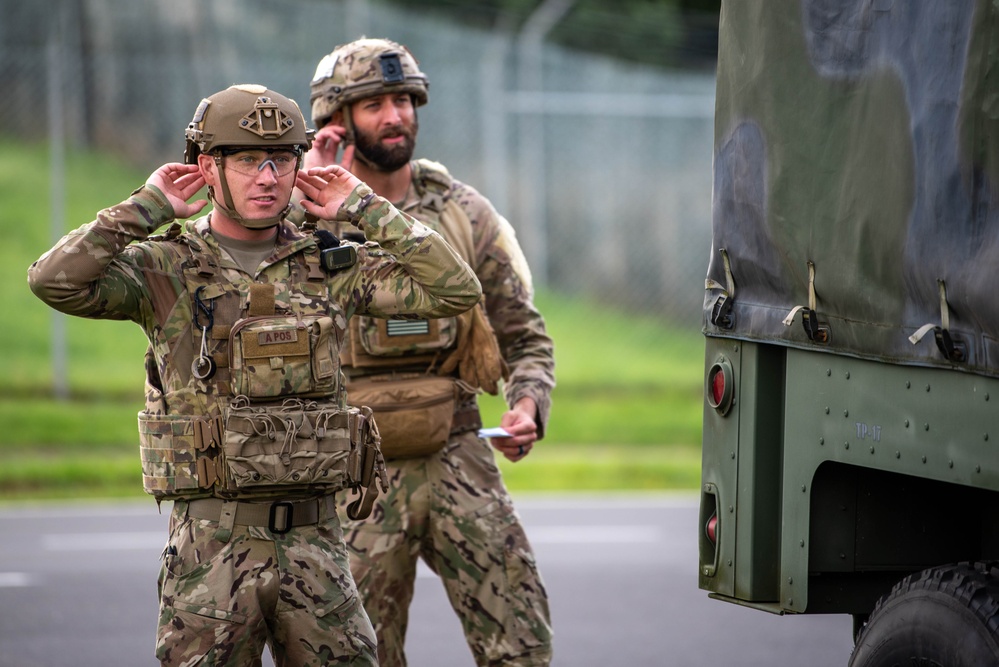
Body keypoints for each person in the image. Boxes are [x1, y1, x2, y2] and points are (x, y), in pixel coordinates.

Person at [27, 83, 482, 667]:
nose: (268, 177)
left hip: (317, 548)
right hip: (210, 549)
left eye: (284, 159)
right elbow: (54, 281)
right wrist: (146, 208)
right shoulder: (166, 268)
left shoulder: (328, 263)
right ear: (207, 168)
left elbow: (455, 290)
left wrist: (365, 208)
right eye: (246, 160)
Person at [304, 38, 556, 667]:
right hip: (352, 470)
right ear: (337, 119)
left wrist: (528, 401)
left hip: (458, 452)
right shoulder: (297, 217)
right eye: (374, 105)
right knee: (351, 654)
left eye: (403, 100)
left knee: (522, 644)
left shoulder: (465, 213)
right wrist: (304, 196)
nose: (396, 116)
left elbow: (524, 334)